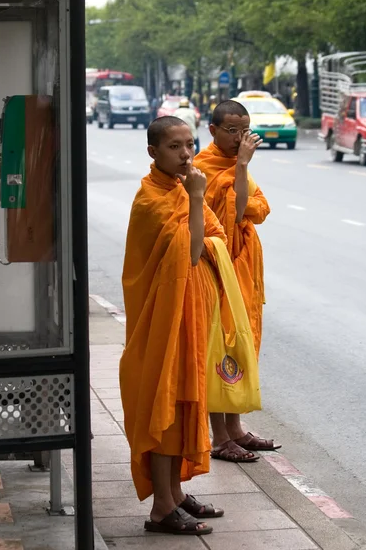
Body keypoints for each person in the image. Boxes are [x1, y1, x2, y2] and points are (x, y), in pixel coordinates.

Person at [120, 116, 227, 535]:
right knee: (164, 406)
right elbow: (195, 251)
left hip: (187, 315)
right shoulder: (151, 200)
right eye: (174, 147)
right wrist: (197, 199)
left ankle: (177, 492)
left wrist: (195, 201)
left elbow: (215, 236)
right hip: (161, 324)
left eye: (189, 144)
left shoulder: (179, 189)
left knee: (184, 401)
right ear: (153, 153)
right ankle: (161, 507)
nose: (186, 154)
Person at [194, 100, 281, 462]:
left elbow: (259, 209)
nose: (239, 138)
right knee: (221, 350)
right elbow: (239, 210)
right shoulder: (202, 168)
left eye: (243, 131)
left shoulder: (234, 166)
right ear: (212, 131)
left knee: (241, 348)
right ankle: (218, 438)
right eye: (231, 130)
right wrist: (243, 165)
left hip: (242, 273)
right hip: (217, 271)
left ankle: (235, 429)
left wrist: (241, 167)